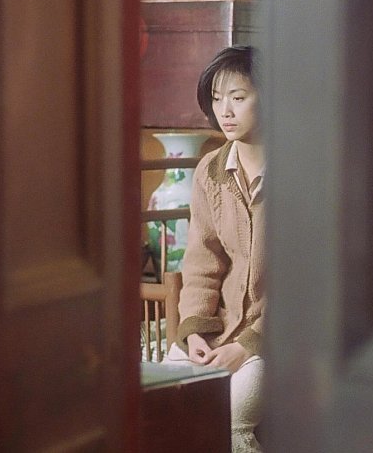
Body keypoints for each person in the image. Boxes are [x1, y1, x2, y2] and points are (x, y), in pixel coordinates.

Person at [163, 45, 265, 453]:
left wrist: (248, 346)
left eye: (238, 98)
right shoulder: (210, 170)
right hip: (218, 330)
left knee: (231, 420)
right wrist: (195, 331)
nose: (225, 111)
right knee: (160, 402)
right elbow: (202, 262)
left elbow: (309, 278)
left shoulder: (304, 171)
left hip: (278, 340)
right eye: (217, 98)